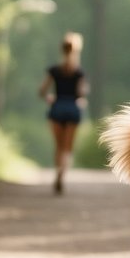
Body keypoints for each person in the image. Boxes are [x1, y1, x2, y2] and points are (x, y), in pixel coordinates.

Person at [39, 32, 89, 194]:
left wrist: (50, 98)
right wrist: (80, 97)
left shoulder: (54, 70)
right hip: (72, 109)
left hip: (57, 107)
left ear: (62, 50)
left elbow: (42, 91)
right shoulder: (78, 72)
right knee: (68, 147)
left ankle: (57, 172)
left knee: (59, 146)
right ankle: (62, 174)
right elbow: (81, 92)